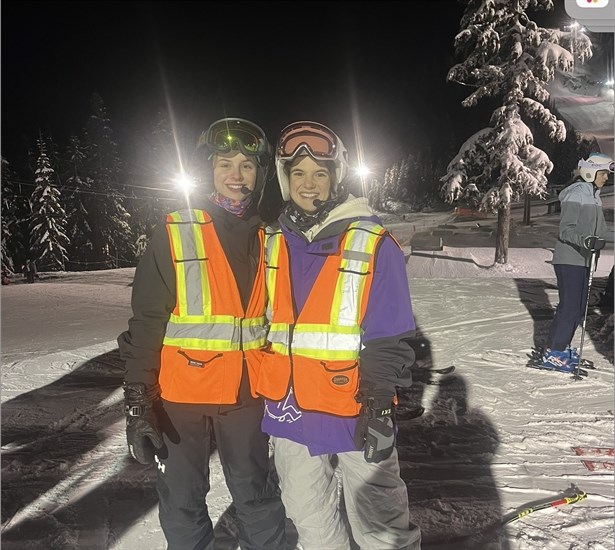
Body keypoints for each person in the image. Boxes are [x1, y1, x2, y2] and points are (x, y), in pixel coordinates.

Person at [117, 117, 288, 550]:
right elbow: (147, 321)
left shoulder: (272, 239)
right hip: (180, 398)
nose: (236, 175)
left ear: (260, 176)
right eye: (225, 164)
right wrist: (139, 399)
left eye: (247, 166)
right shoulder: (176, 232)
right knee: (182, 498)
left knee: (256, 493)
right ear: (208, 171)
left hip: (247, 395)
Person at [257, 121, 422, 549]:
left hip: (354, 406)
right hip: (291, 407)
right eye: (298, 174)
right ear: (284, 180)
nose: (308, 185)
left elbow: (388, 334)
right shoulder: (272, 243)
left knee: (379, 519)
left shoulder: (371, 242)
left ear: (335, 179)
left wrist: (380, 406)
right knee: (306, 512)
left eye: (319, 174)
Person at [543, 152, 614, 371]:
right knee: (570, 308)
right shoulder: (576, 194)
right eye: (603, 174)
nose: (606, 178)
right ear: (591, 172)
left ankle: (559, 349)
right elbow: (566, 230)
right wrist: (586, 240)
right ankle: (554, 353)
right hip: (569, 259)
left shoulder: (594, 196)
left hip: (584, 260)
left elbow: (601, 231)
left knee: (579, 308)